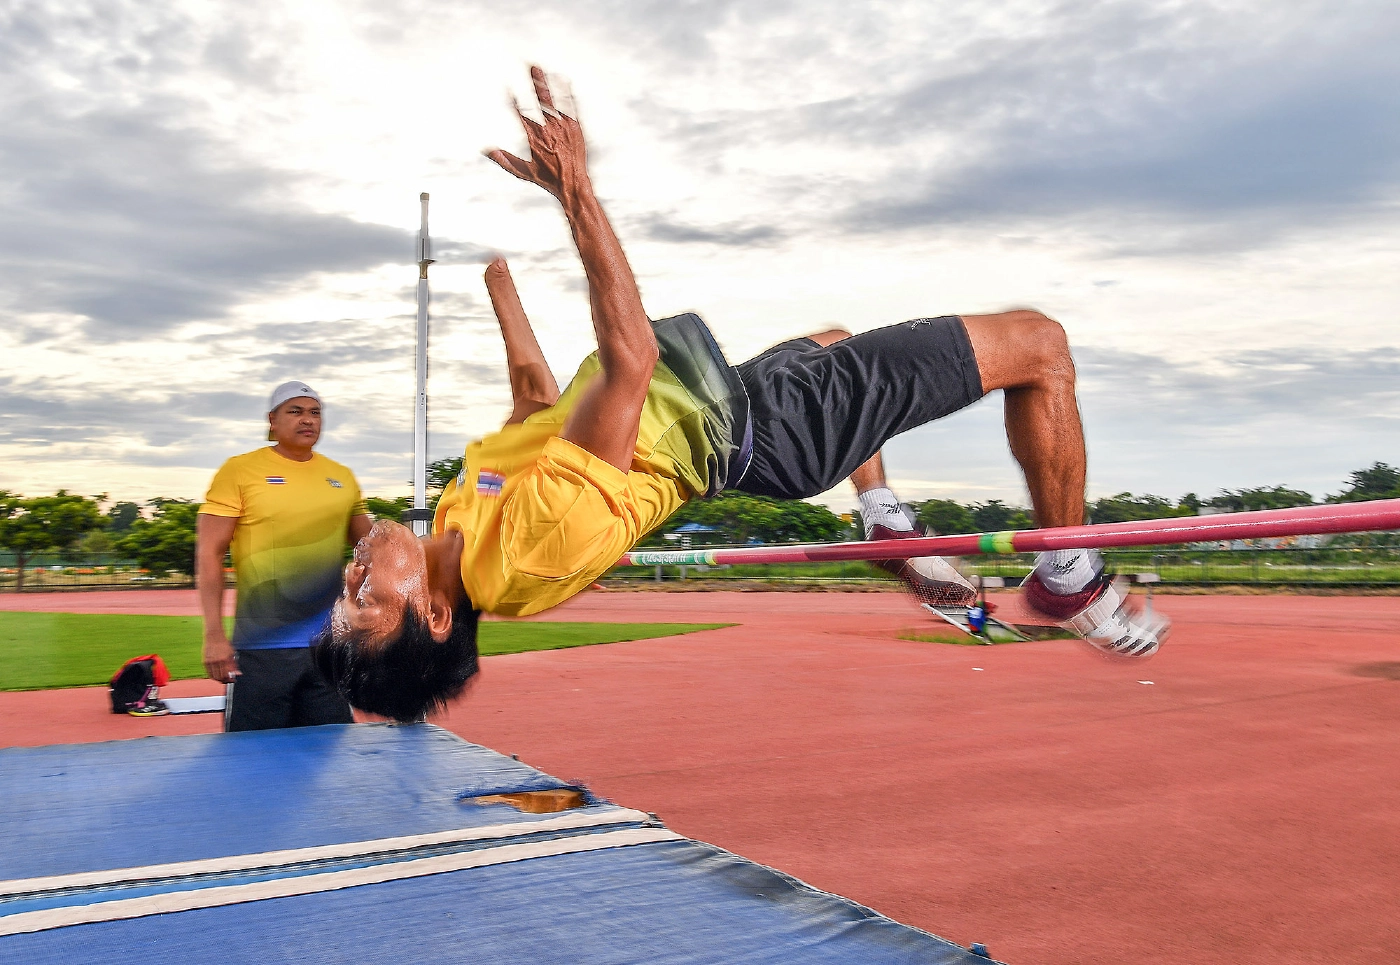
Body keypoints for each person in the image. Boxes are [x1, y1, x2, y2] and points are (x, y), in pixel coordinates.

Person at [312, 68, 1166, 724]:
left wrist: (499, 286)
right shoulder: (530, 548)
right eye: (363, 597)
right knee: (1041, 347)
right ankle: (1068, 577)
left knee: (833, 335)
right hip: (780, 427)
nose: (353, 572)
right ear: (429, 613)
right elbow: (632, 357)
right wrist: (575, 191)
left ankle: (884, 517)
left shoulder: (465, 524)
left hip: (747, 401)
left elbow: (536, 402)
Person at [198, 380, 373, 731]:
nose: (307, 420)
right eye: (295, 411)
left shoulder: (341, 477)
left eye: (314, 412)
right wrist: (214, 635)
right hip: (263, 646)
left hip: (329, 647)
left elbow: (373, 549)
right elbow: (208, 554)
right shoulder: (240, 470)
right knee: (254, 760)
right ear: (272, 421)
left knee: (330, 757)